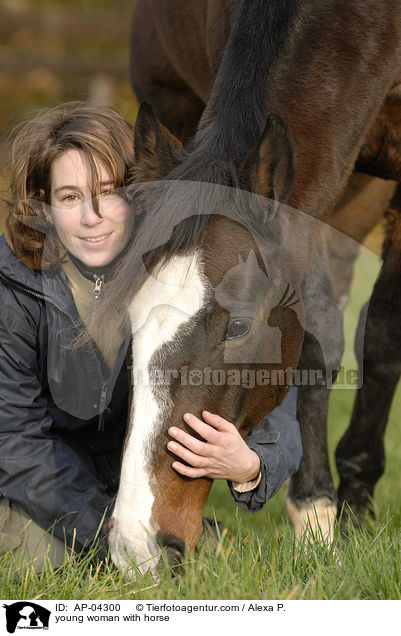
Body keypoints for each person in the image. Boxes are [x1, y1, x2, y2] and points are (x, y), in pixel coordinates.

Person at [0, 101, 303, 572]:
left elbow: (259, 375)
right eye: (68, 197)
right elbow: (14, 442)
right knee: (38, 559)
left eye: (106, 192)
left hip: (118, 488)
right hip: (33, 484)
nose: (92, 217)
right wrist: (112, 532)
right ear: (42, 204)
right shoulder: (14, 292)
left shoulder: (166, 268)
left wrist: (252, 467)